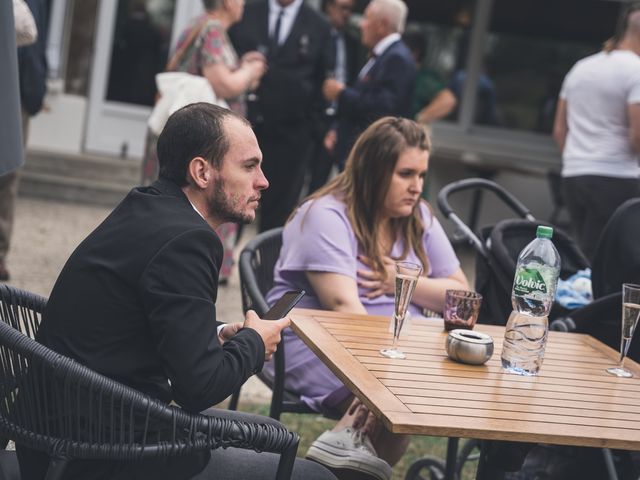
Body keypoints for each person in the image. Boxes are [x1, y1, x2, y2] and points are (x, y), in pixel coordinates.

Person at [16, 103, 336, 480]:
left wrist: (217, 334)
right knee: (318, 477)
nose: (263, 181)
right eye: (249, 166)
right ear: (202, 171)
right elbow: (198, 389)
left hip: (55, 436)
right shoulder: (190, 239)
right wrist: (254, 343)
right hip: (104, 453)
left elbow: (135, 320)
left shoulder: (146, 206)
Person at [266, 117, 470, 480]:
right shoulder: (326, 214)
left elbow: (463, 297)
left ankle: (342, 451)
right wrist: (385, 375)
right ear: (373, 171)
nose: (416, 187)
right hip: (315, 339)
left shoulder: (417, 215)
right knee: (397, 402)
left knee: (412, 392)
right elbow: (344, 310)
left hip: (392, 346)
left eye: (422, 175)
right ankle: (340, 457)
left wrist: (398, 281)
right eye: (406, 174)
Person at [144, 0, 267, 282]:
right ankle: (188, 273)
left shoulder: (199, 25)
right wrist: (251, 71)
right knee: (198, 200)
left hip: (192, 139)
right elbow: (222, 83)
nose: (244, 4)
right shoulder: (211, 28)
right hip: (202, 145)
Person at [229, 0, 333, 232]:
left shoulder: (319, 25)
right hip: (243, 129)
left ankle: (262, 267)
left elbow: (322, 82)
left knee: (277, 216)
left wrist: (312, 129)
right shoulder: (248, 11)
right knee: (229, 206)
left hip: (292, 137)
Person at [552, 1, 640, 261]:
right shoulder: (636, 71)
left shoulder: (581, 67)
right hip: (617, 176)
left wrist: (576, 159)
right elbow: (638, 137)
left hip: (574, 175)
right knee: (614, 261)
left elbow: (559, 130)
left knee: (587, 255)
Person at [322, 0, 417, 170]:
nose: (360, 24)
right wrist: (337, 128)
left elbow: (382, 108)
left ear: (382, 25)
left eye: (366, 17)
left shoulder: (396, 58)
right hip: (357, 154)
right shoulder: (381, 55)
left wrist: (341, 93)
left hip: (370, 159)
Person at [0, 0, 48, 281]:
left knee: (9, 173)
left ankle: (1, 252)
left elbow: (34, 36)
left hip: (19, 92)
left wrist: (36, 89)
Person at [307, 0, 363, 193]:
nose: (347, 14)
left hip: (336, 120)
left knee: (320, 183)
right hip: (310, 116)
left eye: (350, 10)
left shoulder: (353, 43)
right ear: (329, 7)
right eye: (343, 8)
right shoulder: (314, 35)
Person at [402, 31, 457, 125]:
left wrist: (419, 119)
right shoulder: (400, 74)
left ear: (415, 53)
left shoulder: (423, 78)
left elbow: (448, 100)